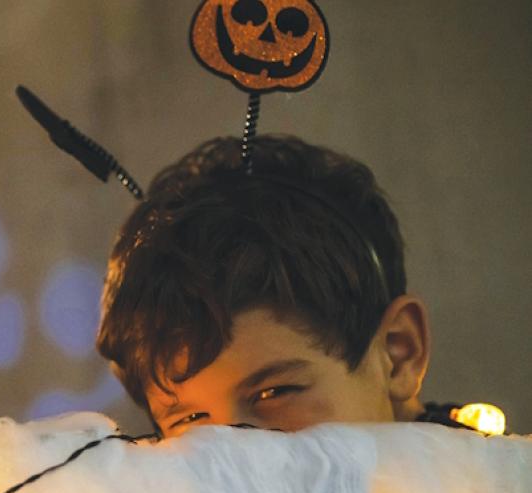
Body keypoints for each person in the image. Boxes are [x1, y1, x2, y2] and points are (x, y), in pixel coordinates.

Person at [96, 134, 442, 439]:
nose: (234, 451)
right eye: (190, 419)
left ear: (399, 352)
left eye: (273, 393)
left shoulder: (475, 492)